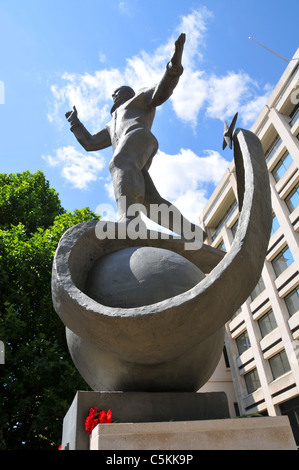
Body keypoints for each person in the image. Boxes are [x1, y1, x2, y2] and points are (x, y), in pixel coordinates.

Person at [66, 33, 205, 242]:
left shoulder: (138, 99)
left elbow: (161, 91)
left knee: (120, 162)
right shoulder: (111, 124)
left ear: (127, 93)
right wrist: (75, 123)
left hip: (138, 137)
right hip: (130, 149)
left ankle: (129, 219)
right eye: (112, 94)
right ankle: (192, 233)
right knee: (150, 201)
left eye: (118, 92)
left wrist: (174, 65)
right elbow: (91, 143)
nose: (114, 95)